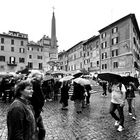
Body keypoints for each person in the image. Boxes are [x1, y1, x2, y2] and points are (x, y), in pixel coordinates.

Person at [30, 73, 46, 140]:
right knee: (35, 130)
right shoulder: (35, 84)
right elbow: (36, 96)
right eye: (41, 78)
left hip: (37, 110)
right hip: (35, 110)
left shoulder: (37, 84)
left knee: (42, 130)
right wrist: (40, 104)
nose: (42, 79)